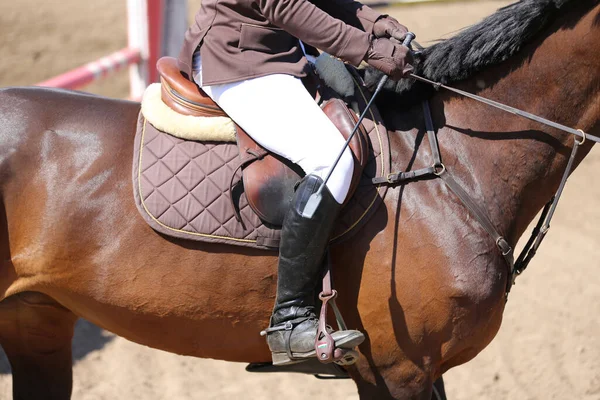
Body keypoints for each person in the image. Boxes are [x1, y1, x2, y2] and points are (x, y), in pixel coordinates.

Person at [178, 0, 413, 365]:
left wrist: (374, 21)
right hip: (239, 61)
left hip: (284, 51)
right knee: (330, 160)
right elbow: (282, 5)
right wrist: (367, 48)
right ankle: (288, 318)